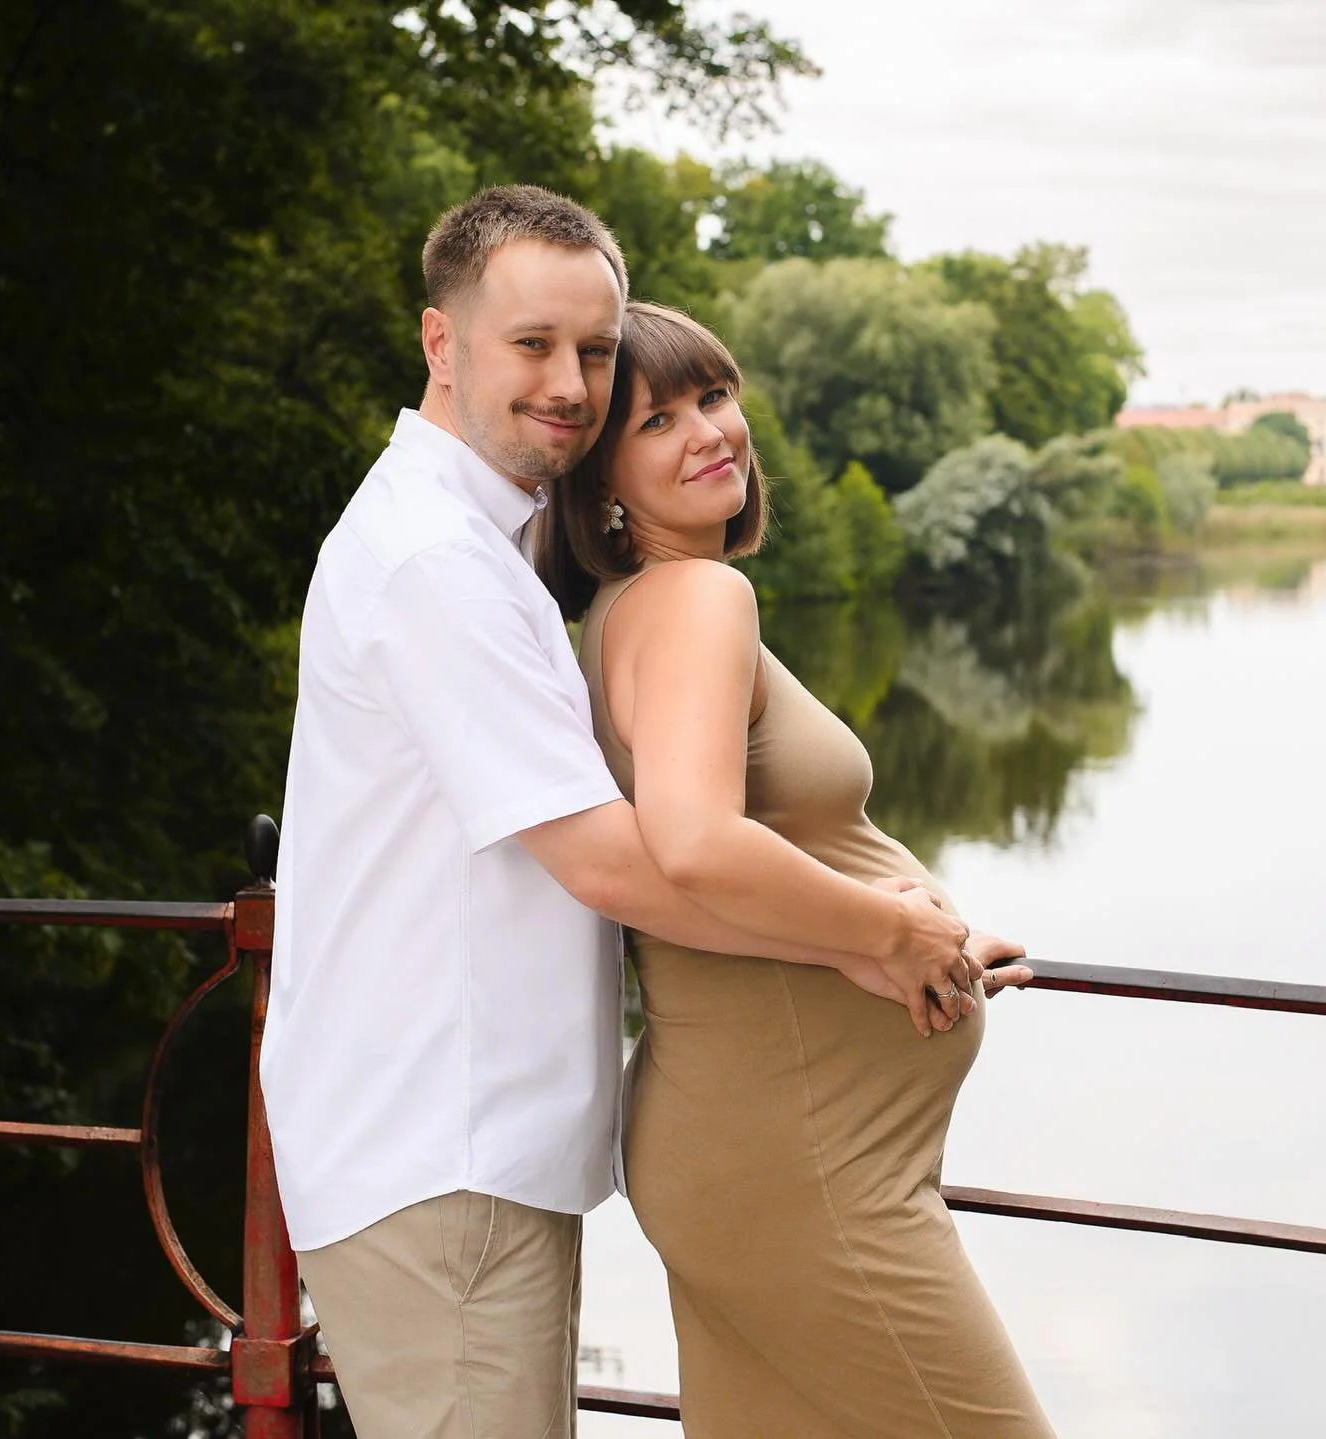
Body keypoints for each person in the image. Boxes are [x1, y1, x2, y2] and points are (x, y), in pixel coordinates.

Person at [261, 185, 988, 1439]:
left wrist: (908, 931)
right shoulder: (435, 561)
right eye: (532, 343)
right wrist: (891, 937)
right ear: (443, 344)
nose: (570, 381)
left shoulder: (487, 549)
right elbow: (628, 860)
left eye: (593, 351)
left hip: (477, 1150)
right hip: (443, 1153)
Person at [538, 300, 1054, 1437]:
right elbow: (697, 839)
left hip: (766, 1151)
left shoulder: (636, 609)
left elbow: (742, 863)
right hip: (800, 1163)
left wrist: (933, 940)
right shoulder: (695, 599)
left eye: (714, 396)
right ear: (604, 483)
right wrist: (897, 931)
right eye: (658, 420)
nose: (708, 431)